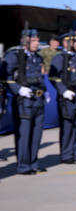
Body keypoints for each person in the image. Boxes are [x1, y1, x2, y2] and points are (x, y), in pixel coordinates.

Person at [4, 29, 47, 174]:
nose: (36, 43)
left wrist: (44, 90)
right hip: (24, 101)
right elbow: (4, 76)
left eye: (37, 40)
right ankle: (23, 165)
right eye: (33, 41)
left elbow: (40, 77)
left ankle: (34, 162)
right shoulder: (14, 56)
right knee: (24, 134)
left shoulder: (37, 57)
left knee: (37, 134)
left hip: (38, 99)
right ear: (25, 41)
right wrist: (18, 89)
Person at [50, 30, 76, 164]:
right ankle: (67, 155)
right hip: (67, 98)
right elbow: (53, 77)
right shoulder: (60, 58)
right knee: (67, 127)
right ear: (66, 43)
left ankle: (74, 153)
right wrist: (63, 91)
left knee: (75, 126)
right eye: (75, 41)